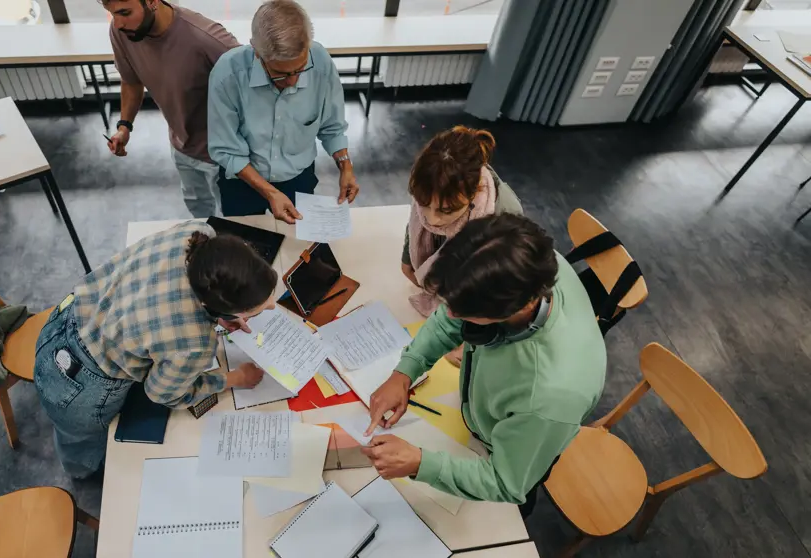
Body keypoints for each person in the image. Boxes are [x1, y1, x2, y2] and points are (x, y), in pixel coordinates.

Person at [361, 214, 606, 518]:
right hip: (482, 414)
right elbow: (451, 316)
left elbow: (507, 482)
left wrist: (419, 463)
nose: (447, 314)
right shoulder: (524, 261)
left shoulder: (546, 398)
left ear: (513, 309)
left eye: (464, 313)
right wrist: (405, 370)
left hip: (514, 452)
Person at [34, 222, 274, 478]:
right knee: (82, 444)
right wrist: (235, 378)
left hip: (67, 318)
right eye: (254, 309)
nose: (271, 305)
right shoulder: (195, 344)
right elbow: (163, 394)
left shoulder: (196, 236)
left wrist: (220, 313)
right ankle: (83, 475)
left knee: (69, 430)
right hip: (82, 384)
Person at [207, 0, 358, 223]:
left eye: (300, 69)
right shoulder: (228, 74)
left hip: (299, 177)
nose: (293, 81)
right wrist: (271, 193)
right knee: (245, 247)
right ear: (257, 54)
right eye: (280, 73)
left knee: (299, 248)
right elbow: (227, 150)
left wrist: (346, 167)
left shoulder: (321, 63)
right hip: (243, 181)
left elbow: (332, 127)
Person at [103, 0, 238, 217]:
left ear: (152, 2)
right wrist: (124, 126)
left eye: (125, 13)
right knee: (198, 210)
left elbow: (256, 88)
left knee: (234, 221)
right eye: (111, 14)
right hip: (181, 145)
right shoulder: (123, 32)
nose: (117, 23)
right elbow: (131, 81)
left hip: (224, 156)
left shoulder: (207, 39)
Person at [401, 126, 523, 366]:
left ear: (473, 194)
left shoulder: (504, 218)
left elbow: (502, 297)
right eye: (424, 205)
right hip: (443, 297)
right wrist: (409, 259)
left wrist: (463, 336)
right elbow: (411, 246)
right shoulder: (432, 186)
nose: (432, 219)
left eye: (446, 211)